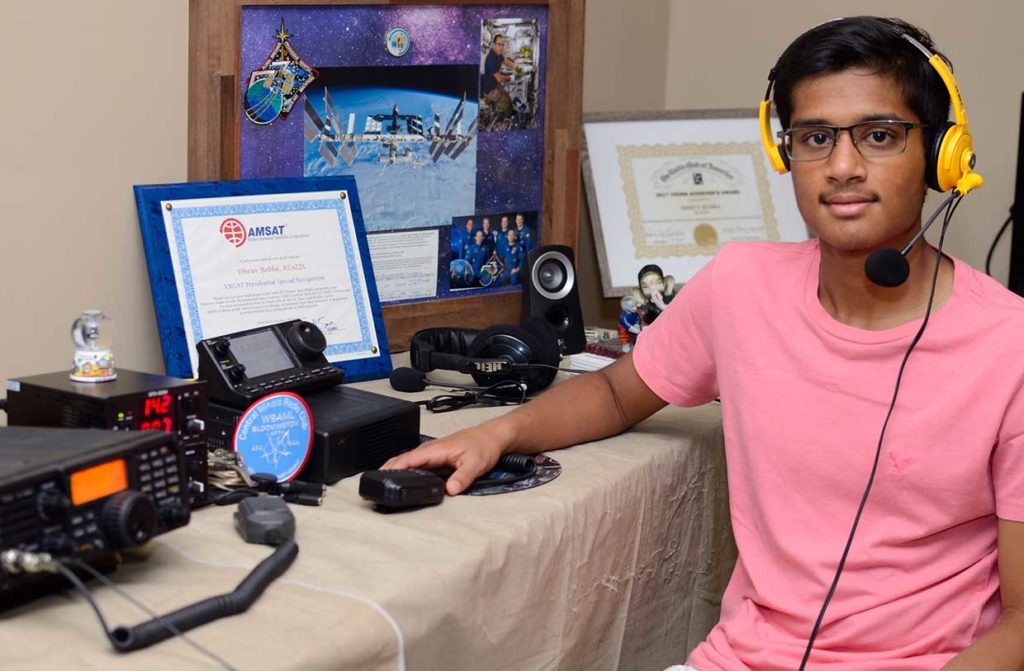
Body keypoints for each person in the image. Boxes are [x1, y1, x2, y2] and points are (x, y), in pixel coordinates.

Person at [385, 16, 1024, 670]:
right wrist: (499, 433)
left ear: (944, 154)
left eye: (880, 136)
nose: (842, 167)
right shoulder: (741, 284)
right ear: (785, 155)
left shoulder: (1011, 347)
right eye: (815, 138)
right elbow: (614, 390)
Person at [481, 33, 515, 117]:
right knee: (506, 103)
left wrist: (517, 67)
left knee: (507, 95)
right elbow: (500, 79)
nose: (501, 47)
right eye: (499, 44)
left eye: (502, 45)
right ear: (493, 44)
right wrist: (511, 78)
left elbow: (506, 61)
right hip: (489, 89)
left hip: (494, 84)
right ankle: (510, 118)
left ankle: (510, 112)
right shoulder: (491, 59)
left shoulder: (498, 54)